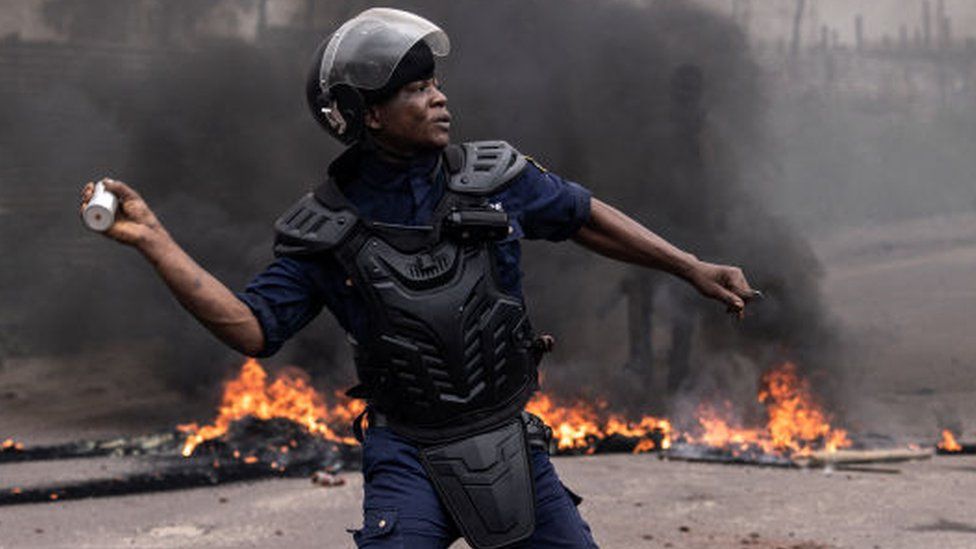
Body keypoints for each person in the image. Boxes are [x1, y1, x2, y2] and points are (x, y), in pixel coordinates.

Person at [79, 8, 757, 548]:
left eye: (434, 82)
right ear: (368, 112)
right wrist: (154, 240)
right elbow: (252, 329)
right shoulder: (325, 230)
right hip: (408, 453)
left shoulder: (493, 179)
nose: (439, 98)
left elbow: (584, 216)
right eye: (416, 88)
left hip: (506, 439)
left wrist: (690, 266)